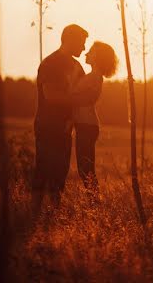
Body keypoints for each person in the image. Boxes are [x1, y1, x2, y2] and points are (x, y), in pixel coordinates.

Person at [32, 23, 87, 215]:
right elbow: (51, 96)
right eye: (81, 43)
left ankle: (53, 215)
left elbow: (85, 93)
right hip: (47, 125)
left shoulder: (77, 66)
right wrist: (78, 100)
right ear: (70, 40)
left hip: (65, 128)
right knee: (44, 170)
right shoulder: (51, 63)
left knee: (60, 173)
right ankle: (34, 215)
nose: (84, 48)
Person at [70, 41, 118, 192]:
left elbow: (72, 95)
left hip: (87, 126)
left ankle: (95, 202)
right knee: (85, 168)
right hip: (86, 125)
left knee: (85, 169)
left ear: (97, 57)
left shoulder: (93, 77)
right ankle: (94, 201)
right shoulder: (92, 76)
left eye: (90, 51)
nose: (86, 53)